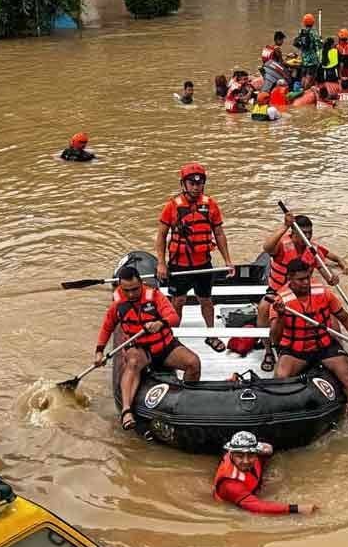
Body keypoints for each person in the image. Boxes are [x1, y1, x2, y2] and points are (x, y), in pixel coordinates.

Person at [269, 259, 348, 438]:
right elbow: (275, 337)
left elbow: (345, 318)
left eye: (307, 277)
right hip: (296, 350)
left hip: (324, 345)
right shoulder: (280, 300)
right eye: (301, 279)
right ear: (290, 278)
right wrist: (280, 315)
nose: (306, 282)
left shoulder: (323, 293)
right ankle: (280, 427)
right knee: (281, 379)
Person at [95, 267, 201, 431]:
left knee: (193, 363)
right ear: (121, 287)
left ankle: (186, 401)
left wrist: (160, 323)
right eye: (127, 290)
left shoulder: (155, 296)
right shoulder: (118, 304)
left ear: (141, 283)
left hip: (164, 346)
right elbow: (107, 327)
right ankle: (126, 411)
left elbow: (174, 317)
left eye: (135, 289)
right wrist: (99, 351)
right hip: (139, 348)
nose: (131, 294)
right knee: (132, 363)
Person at [257, 214, 348, 372]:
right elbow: (266, 248)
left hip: (303, 290)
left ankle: (336, 349)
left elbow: (324, 270)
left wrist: (332, 278)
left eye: (309, 233)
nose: (307, 236)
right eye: (303, 233)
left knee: (331, 315)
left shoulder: (312, 249)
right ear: (293, 233)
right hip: (278, 291)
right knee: (263, 309)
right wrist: (285, 225)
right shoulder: (281, 245)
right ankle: (268, 351)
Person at [155, 163, 234, 352]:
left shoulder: (211, 205)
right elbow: (161, 236)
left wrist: (228, 261)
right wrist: (161, 263)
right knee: (178, 301)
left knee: (206, 300)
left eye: (199, 183)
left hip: (203, 264)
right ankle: (173, 337)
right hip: (179, 264)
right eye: (192, 183)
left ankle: (211, 335)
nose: (196, 187)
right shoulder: (171, 207)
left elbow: (219, 234)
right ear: (184, 184)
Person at [213, 431, 318, 515]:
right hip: (237, 503)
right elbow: (258, 506)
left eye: (250, 455)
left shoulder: (258, 453)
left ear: (256, 453)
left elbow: (267, 449)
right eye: (240, 456)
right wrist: (297, 508)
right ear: (231, 455)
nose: (246, 461)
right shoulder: (230, 485)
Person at [292, 14, 322, 79]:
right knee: (310, 76)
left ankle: (303, 85)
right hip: (312, 59)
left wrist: (302, 49)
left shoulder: (301, 32)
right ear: (313, 22)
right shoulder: (313, 32)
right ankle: (306, 86)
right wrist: (321, 41)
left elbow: (296, 43)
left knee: (304, 75)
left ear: (304, 23)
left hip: (304, 58)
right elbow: (319, 45)